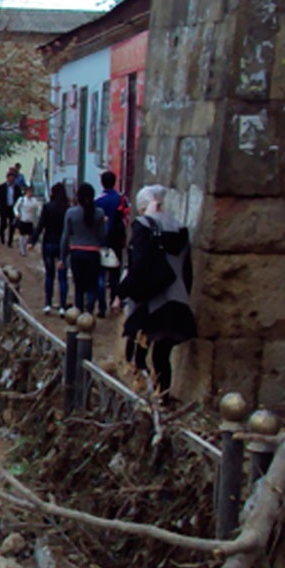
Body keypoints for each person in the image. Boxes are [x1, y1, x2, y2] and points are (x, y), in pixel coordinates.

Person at [118, 185, 197, 401]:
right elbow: (187, 271)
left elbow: (139, 265)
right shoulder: (180, 228)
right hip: (176, 301)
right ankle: (162, 398)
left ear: (142, 207)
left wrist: (122, 292)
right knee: (163, 356)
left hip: (149, 302)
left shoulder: (143, 227)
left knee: (137, 352)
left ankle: (140, 399)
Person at [59, 183, 107, 312]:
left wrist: (62, 257)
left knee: (79, 286)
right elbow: (102, 236)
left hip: (76, 252)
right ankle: (89, 310)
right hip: (93, 253)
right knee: (92, 285)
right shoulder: (99, 213)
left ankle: (78, 312)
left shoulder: (71, 212)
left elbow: (65, 236)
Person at [31, 182, 70, 315]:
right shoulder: (67, 208)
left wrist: (32, 241)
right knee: (62, 277)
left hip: (48, 243)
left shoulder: (47, 207)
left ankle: (48, 303)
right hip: (62, 245)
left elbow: (41, 225)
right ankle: (62, 307)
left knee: (49, 275)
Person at [95, 171, 128, 318]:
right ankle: (115, 300)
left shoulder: (98, 201)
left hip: (102, 240)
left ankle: (101, 307)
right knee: (115, 273)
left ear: (102, 183)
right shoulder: (121, 199)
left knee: (100, 274)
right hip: (117, 240)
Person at [0, 171, 21, 247]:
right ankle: (1, 235)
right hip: (4, 208)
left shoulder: (17, 188)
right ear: (7, 178)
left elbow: (20, 198)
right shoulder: (2, 187)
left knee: (12, 225)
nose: (11, 180)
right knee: (3, 224)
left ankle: (10, 242)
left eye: (13, 178)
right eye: (10, 178)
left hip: (13, 208)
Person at [14, 184, 42, 258]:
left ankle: (28, 247)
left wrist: (39, 215)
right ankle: (22, 250)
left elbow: (39, 208)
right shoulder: (22, 199)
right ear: (26, 192)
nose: (30, 193)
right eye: (29, 192)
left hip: (30, 221)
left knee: (29, 236)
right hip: (23, 220)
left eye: (31, 192)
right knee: (22, 236)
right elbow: (15, 207)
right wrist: (17, 214)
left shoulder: (34, 201)